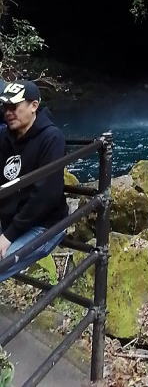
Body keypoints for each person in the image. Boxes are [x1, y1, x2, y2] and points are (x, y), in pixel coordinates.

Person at [0, 80, 68, 283]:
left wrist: (8, 236)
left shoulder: (51, 138)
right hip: (9, 220)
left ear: (34, 105)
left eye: (14, 106)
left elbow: (46, 196)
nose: (8, 112)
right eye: (5, 107)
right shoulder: (5, 137)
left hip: (44, 225)